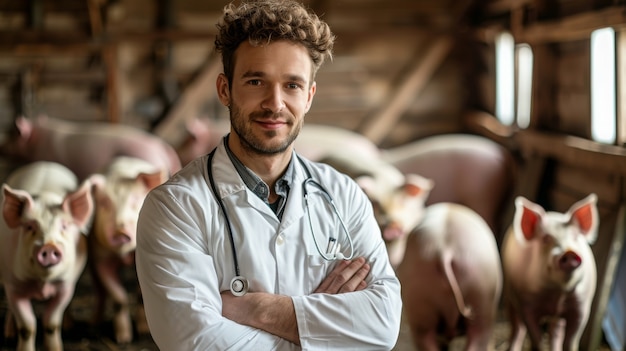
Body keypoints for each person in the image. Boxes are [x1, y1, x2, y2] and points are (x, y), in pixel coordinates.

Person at [135, 1, 403, 349]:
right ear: (225, 89)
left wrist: (257, 310)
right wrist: (322, 330)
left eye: (292, 85)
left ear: (308, 97)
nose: (275, 103)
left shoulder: (345, 196)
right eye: (256, 80)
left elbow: (382, 325)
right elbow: (195, 341)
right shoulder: (174, 207)